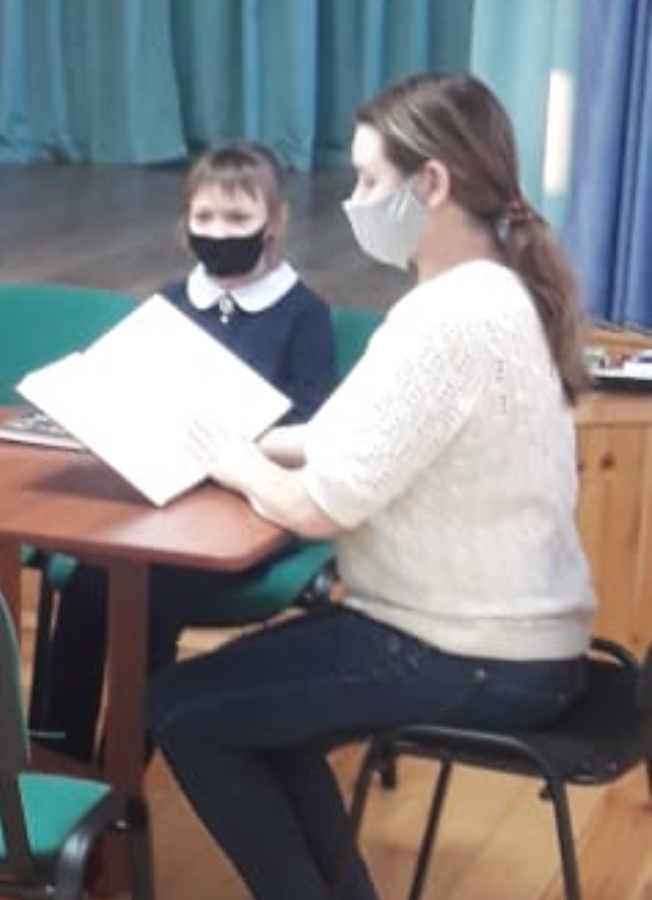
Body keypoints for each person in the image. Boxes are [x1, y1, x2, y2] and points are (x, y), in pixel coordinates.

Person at [148, 71, 595, 900]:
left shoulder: (445, 319)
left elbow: (316, 506)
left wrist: (228, 458)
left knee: (181, 709)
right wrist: (243, 442)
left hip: (467, 651)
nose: (354, 201)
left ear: (432, 185)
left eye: (366, 181)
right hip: (521, 644)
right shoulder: (497, 291)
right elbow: (352, 434)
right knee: (253, 718)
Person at [38, 143, 337, 761]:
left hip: (251, 509)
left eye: (237, 218)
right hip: (160, 499)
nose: (219, 233)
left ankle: (121, 768)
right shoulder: (172, 303)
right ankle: (55, 761)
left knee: (147, 599)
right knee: (89, 587)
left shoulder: (304, 314)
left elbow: (313, 427)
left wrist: (238, 439)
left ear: (275, 222)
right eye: (204, 218)